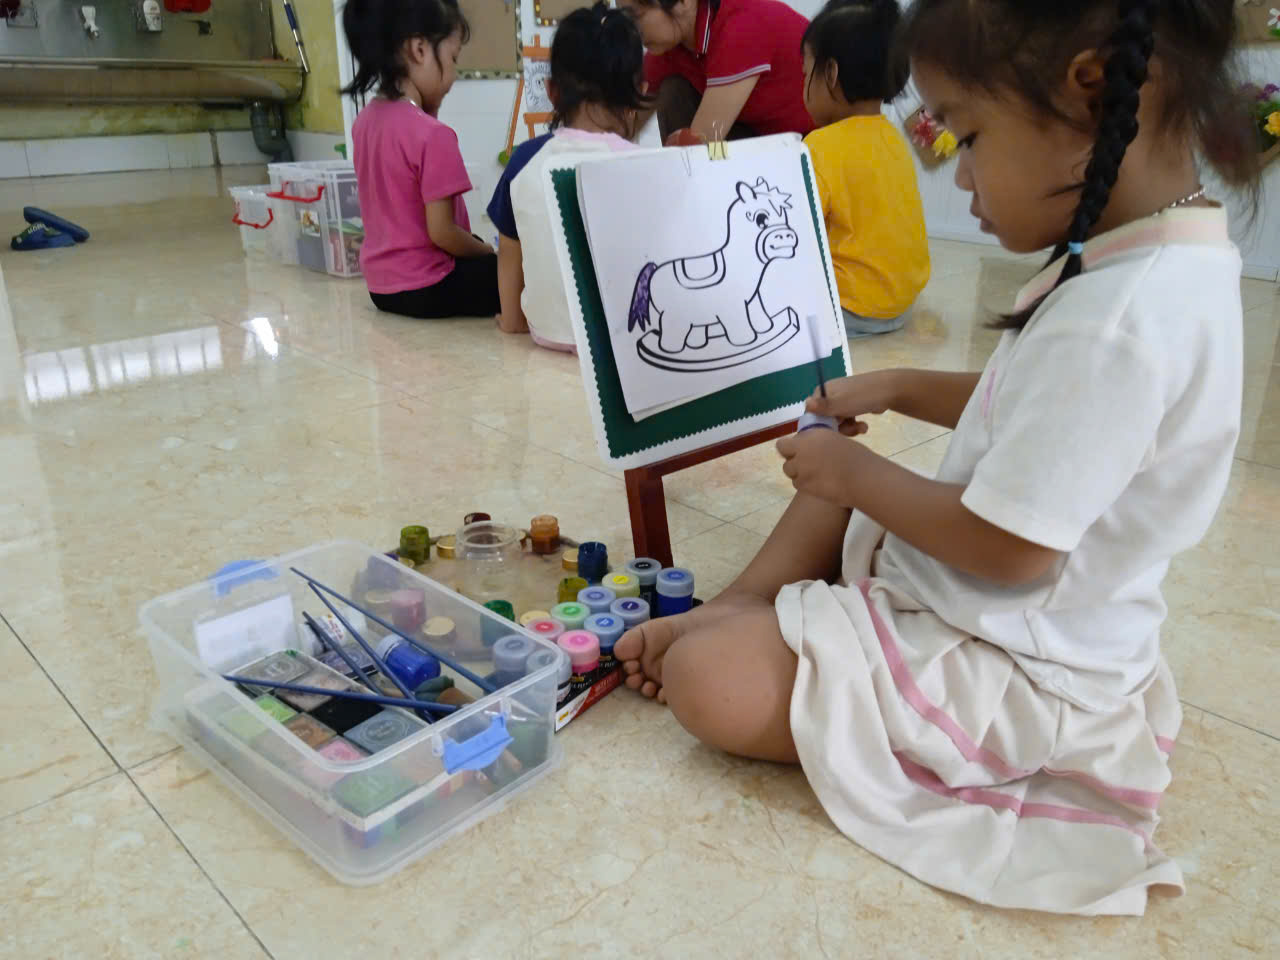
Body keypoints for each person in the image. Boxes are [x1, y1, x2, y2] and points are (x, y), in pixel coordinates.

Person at [616, 0, 1255, 915]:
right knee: (837, 481)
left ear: (1088, 91)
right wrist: (899, 386)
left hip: (1010, 658)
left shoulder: (1121, 320)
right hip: (994, 603)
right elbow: (1028, 403)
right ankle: (743, 604)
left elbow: (1013, 548)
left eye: (968, 136)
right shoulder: (1147, 263)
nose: (960, 177)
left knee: (706, 677)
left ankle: (747, 629)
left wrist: (856, 476)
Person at [488, 3, 649, 352]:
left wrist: (512, 320)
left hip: (548, 334)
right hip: (624, 346)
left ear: (551, 90)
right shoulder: (643, 166)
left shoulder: (524, 160)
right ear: (639, 91)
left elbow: (509, 249)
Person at [343, 0, 499, 320]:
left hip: (381, 289)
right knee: (511, 267)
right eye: (453, 58)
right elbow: (442, 233)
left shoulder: (365, 122)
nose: (454, 74)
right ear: (419, 50)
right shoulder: (433, 135)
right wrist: (486, 250)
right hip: (430, 286)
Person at [802, 0, 928, 337]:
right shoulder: (892, 137)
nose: (802, 86)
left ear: (830, 73)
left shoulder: (820, 145)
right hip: (901, 304)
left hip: (849, 307)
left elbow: (797, 233)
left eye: (805, 73)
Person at [618, 0, 812, 144]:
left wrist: (684, 148)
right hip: (762, 137)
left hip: (812, 146)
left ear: (683, 2)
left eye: (635, 16)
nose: (633, 31)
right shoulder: (670, 45)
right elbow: (622, 125)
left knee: (694, 144)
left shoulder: (740, 26)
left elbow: (704, 139)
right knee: (673, 90)